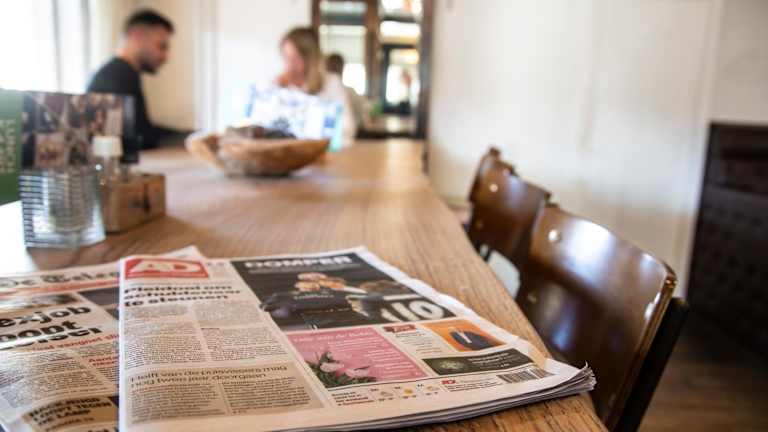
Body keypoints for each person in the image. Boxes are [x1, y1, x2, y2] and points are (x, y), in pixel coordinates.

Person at [87, 9, 175, 149]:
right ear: (137, 36)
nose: (166, 56)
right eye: (161, 46)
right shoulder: (118, 77)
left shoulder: (123, 73)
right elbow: (140, 139)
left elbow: (143, 130)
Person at [276, 27, 357, 147]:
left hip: (326, 153)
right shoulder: (280, 87)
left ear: (309, 58)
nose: (289, 65)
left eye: (294, 59)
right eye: (286, 58)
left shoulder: (332, 83)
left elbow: (347, 129)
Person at [325, 53, 367, 131]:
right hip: (357, 135)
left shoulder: (320, 94)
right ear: (342, 68)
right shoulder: (353, 93)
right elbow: (363, 122)